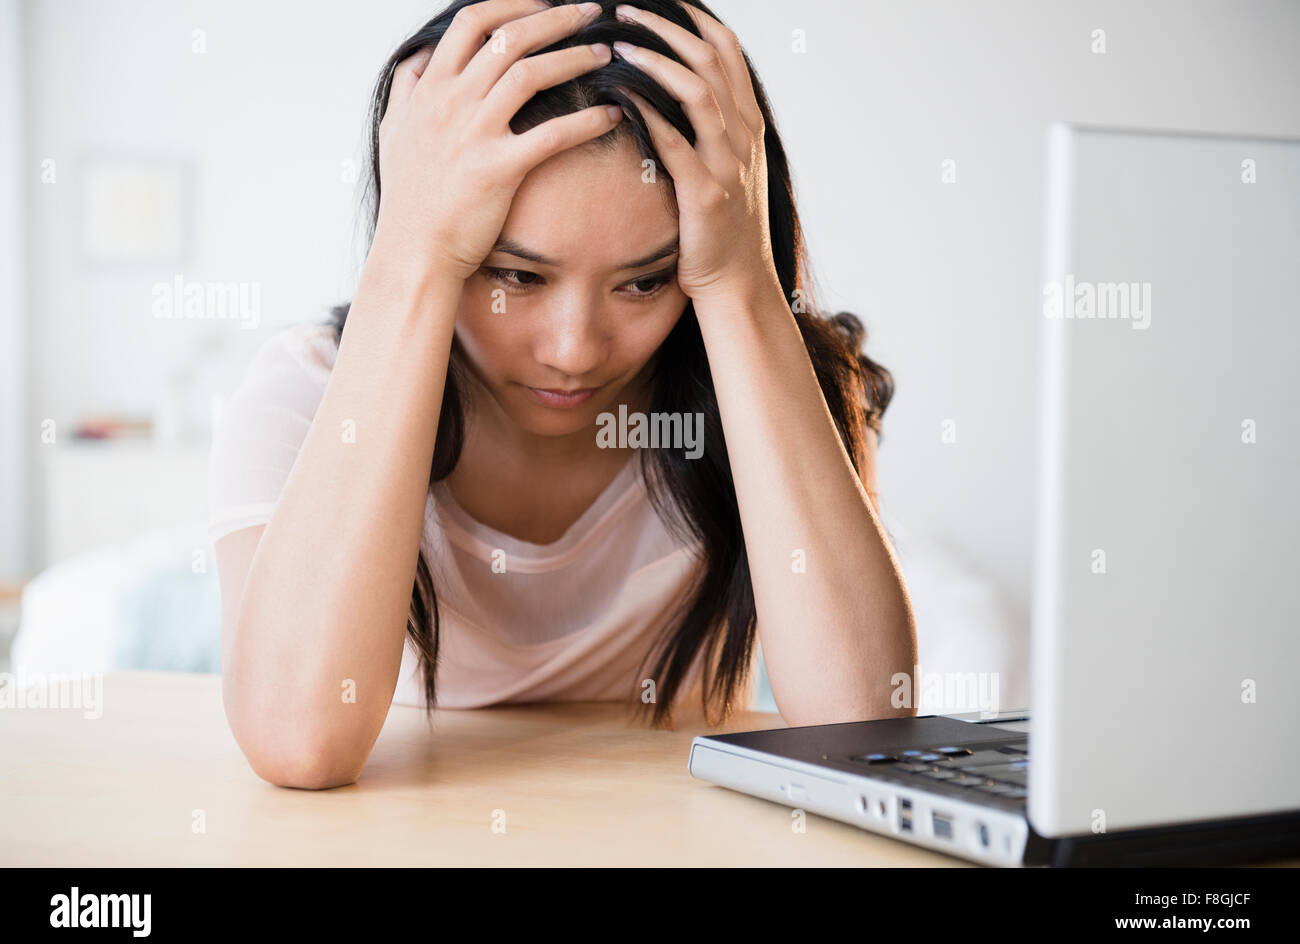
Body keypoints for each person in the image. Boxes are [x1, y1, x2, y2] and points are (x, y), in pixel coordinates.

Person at [209, 0, 917, 790]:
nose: (575, 350)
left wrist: (740, 280)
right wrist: (411, 253)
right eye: (517, 276)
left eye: (646, 281)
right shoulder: (302, 401)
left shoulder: (783, 387)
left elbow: (864, 728)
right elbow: (298, 740)